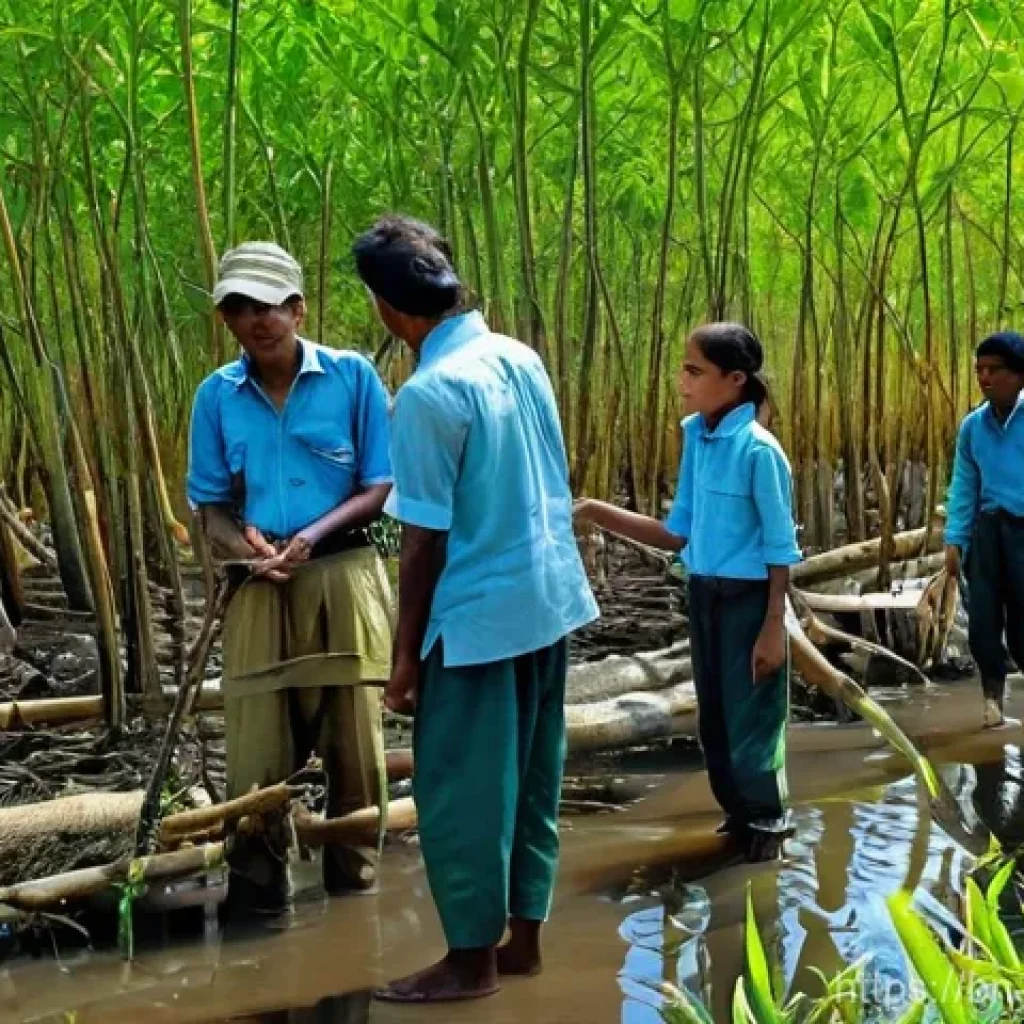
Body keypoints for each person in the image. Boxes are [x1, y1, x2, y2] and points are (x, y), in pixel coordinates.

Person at [353, 215, 599, 1003]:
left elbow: (420, 543)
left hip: (477, 622)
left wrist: (402, 661)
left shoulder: (427, 394)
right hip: (548, 601)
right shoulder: (519, 356)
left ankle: (469, 961)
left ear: (390, 308)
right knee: (532, 778)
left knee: (461, 794)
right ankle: (522, 942)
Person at [186, 241, 394, 912]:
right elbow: (209, 503)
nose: (255, 319)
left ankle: (355, 904)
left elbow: (379, 484)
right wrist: (242, 547)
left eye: (268, 305)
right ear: (226, 320)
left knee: (356, 759)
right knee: (252, 760)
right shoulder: (215, 397)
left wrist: (311, 534)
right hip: (256, 585)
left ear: (298, 309)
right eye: (238, 307)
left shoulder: (353, 377)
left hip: (343, 574)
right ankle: (255, 901)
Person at [575, 322, 801, 862]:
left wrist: (774, 626)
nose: (683, 379)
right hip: (704, 596)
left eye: (695, 370)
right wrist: (594, 510)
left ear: (736, 379)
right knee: (716, 719)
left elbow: (779, 546)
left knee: (754, 720)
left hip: (751, 602)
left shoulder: (758, 451)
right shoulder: (697, 439)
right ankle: (737, 822)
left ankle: (767, 830)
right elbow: (677, 532)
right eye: (685, 367)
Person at [944, 330, 1024, 729]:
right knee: (982, 625)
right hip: (987, 534)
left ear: (1019, 375)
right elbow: (964, 485)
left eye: (995, 370)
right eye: (980, 370)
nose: (985, 377)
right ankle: (991, 700)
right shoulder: (973, 427)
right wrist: (955, 539)